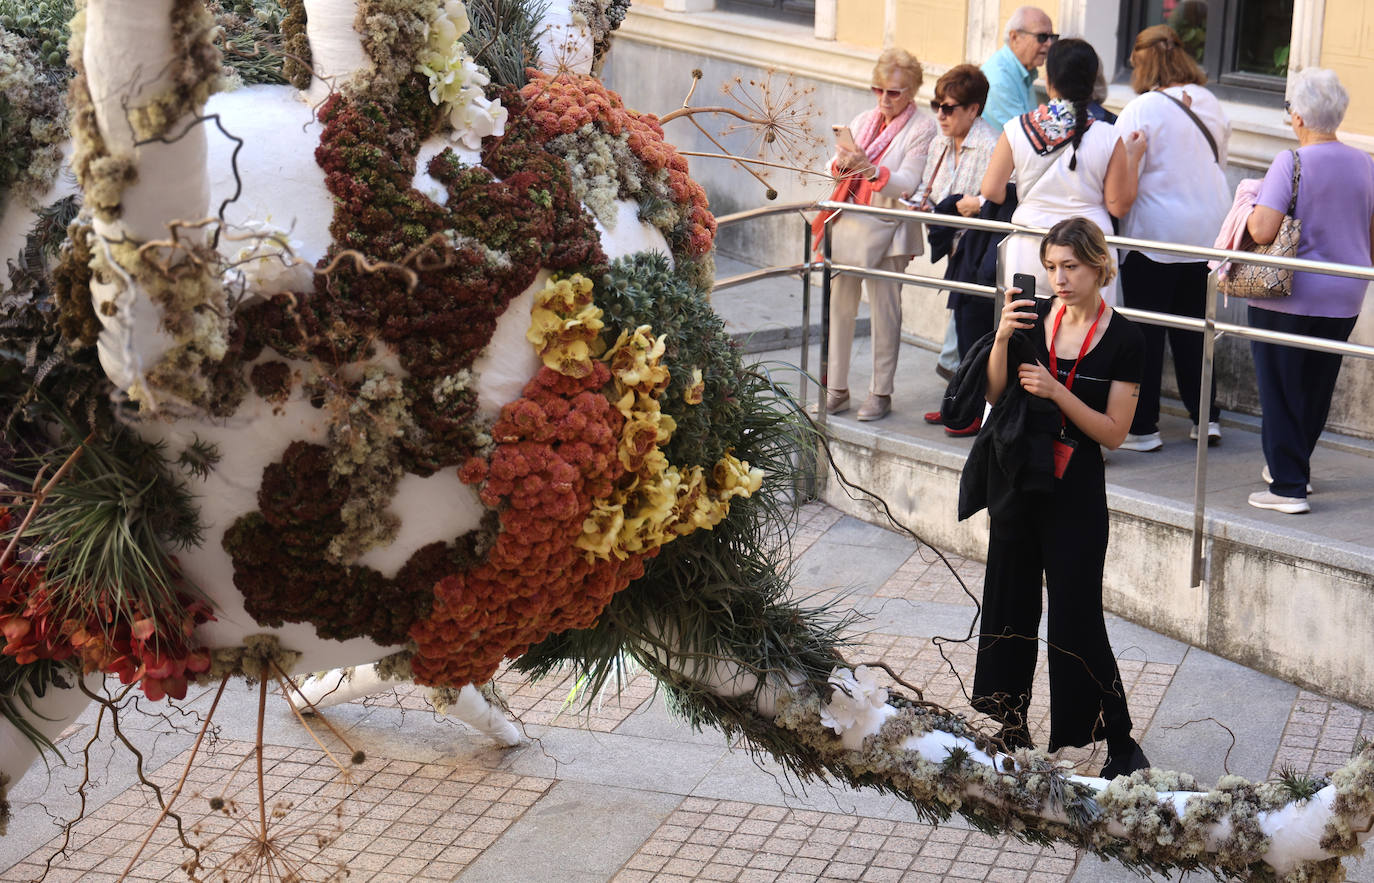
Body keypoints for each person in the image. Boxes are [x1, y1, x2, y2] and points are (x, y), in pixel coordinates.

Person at [965, 217, 1149, 777]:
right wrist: (1001, 339)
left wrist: (1056, 391)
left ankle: (1117, 738)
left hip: (1075, 490)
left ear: (1099, 266)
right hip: (1022, 478)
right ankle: (1009, 722)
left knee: (1077, 616)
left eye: (1070, 266)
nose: (1059, 279)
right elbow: (996, 392)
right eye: (1051, 267)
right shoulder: (1036, 316)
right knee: (1008, 601)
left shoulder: (1125, 339)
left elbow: (1114, 431)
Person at [1245, 68, 1374, 514]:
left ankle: (1288, 487)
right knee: (1316, 386)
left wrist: (1246, 209)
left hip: (1289, 293)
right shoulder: (1365, 162)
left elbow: (1263, 230)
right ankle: (1294, 468)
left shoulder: (1292, 161)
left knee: (1280, 387)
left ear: (1298, 116)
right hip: (1346, 295)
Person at [1113, 25, 1231, 453]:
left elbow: (1125, 178)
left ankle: (1143, 428)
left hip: (1156, 233)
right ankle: (1207, 419)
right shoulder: (1211, 102)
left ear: (1143, 63)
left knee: (1146, 332)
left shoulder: (1140, 110)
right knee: (1196, 329)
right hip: (1207, 233)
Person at [815, 48, 936, 422]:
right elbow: (830, 166)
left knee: (886, 312)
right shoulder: (865, 118)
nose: (884, 98)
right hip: (851, 222)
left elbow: (907, 183)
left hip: (893, 227)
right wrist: (841, 163)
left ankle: (880, 392)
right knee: (839, 307)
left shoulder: (924, 127)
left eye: (894, 92)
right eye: (878, 89)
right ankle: (836, 389)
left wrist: (869, 168)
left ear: (912, 90)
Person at [980, 38, 1146, 308]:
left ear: (1048, 80)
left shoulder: (1015, 128)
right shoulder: (1108, 134)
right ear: (1093, 81)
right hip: (1089, 252)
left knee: (1026, 337)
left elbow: (990, 190)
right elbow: (1118, 205)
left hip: (1029, 249)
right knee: (1089, 341)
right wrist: (1132, 158)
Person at [911, 65, 999, 436]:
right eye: (936, 106)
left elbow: (1001, 197)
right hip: (954, 246)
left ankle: (972, 412)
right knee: (966, 330)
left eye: (949, 108)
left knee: (974, 331)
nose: (940, 115)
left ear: (973, 109)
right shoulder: (938, 143)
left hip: (980, 250)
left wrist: (973, 203)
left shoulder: (993, 143)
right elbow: (927, 193)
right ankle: (963, 406)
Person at [982, 6, 1056, 130]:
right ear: (1014, 37)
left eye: (1052, 37)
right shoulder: (999, 79)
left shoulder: (1023, 70)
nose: (1049, 43)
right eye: (1042, 37)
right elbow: (1025, 135)